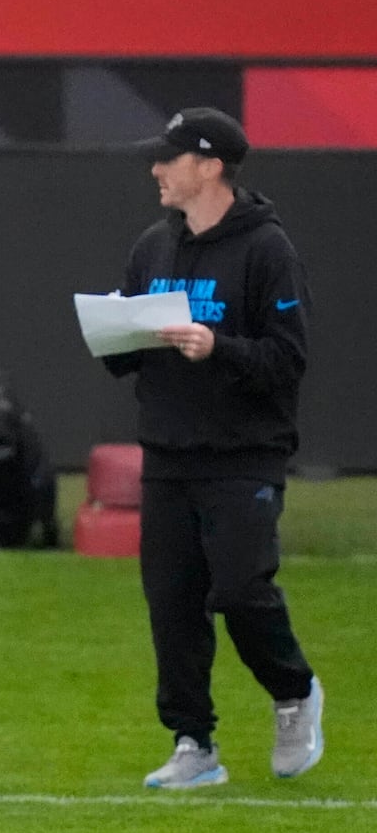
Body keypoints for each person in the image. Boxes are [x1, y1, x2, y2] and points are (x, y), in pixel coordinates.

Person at [104, 107, 323, 789]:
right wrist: (116, 330)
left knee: (239, 588)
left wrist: (215, 345)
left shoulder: (267, 250)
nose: (156, 170)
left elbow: (289, 358)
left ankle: (294, 693)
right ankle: (193, 741)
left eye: (168, 159)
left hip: (243, 454)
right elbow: (125, 361)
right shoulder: (152, 248)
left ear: (209, 166)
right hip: (167, 454)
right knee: (172, 604)